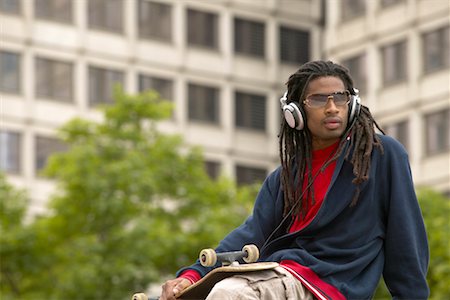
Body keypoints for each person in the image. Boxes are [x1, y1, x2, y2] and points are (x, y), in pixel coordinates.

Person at [160, 60, 429, 299]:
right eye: (319, 100)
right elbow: (250, 235)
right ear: (295, 113)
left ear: (353, 103)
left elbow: (405, 235)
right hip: (283, 274)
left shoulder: (381, 155)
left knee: (230, 293)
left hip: (330, 287)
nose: (332, 108)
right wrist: (192, 276)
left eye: (340, 98)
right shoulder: (284, 179)